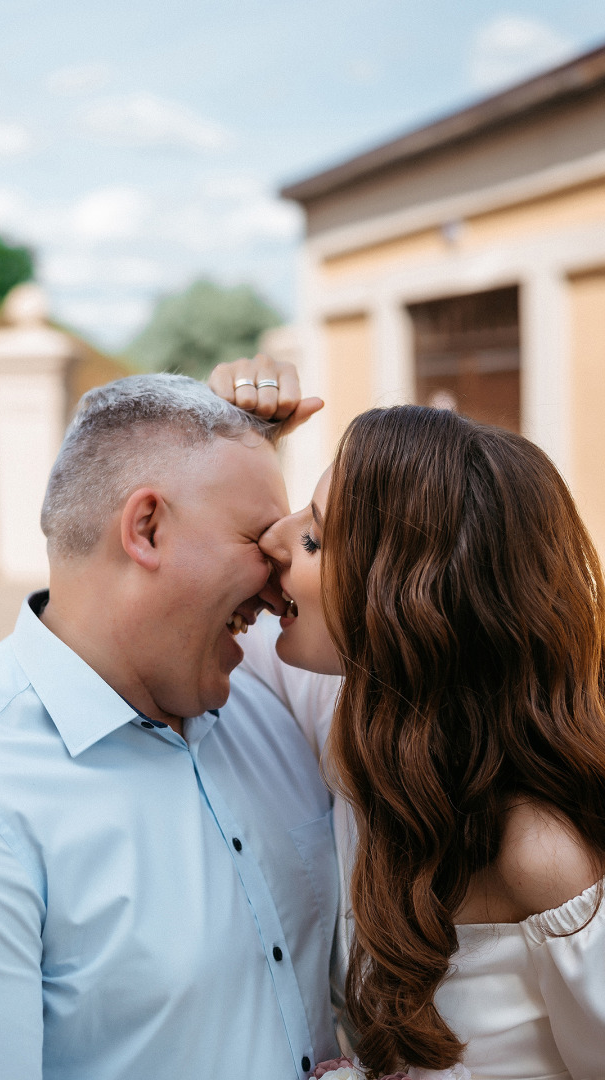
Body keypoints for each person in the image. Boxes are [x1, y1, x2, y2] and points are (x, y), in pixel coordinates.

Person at [0, 372, 342, 1080]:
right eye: (259, 537)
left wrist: (232, 448)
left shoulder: (275, 699)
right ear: (147, 528)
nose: (281, 578)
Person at [210, 365, 605, 1080]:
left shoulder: (540, 854)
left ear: (402, 605)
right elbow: (171, 619)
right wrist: (225, 443)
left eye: (315, 540)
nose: (275, 537)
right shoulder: (352, 715)